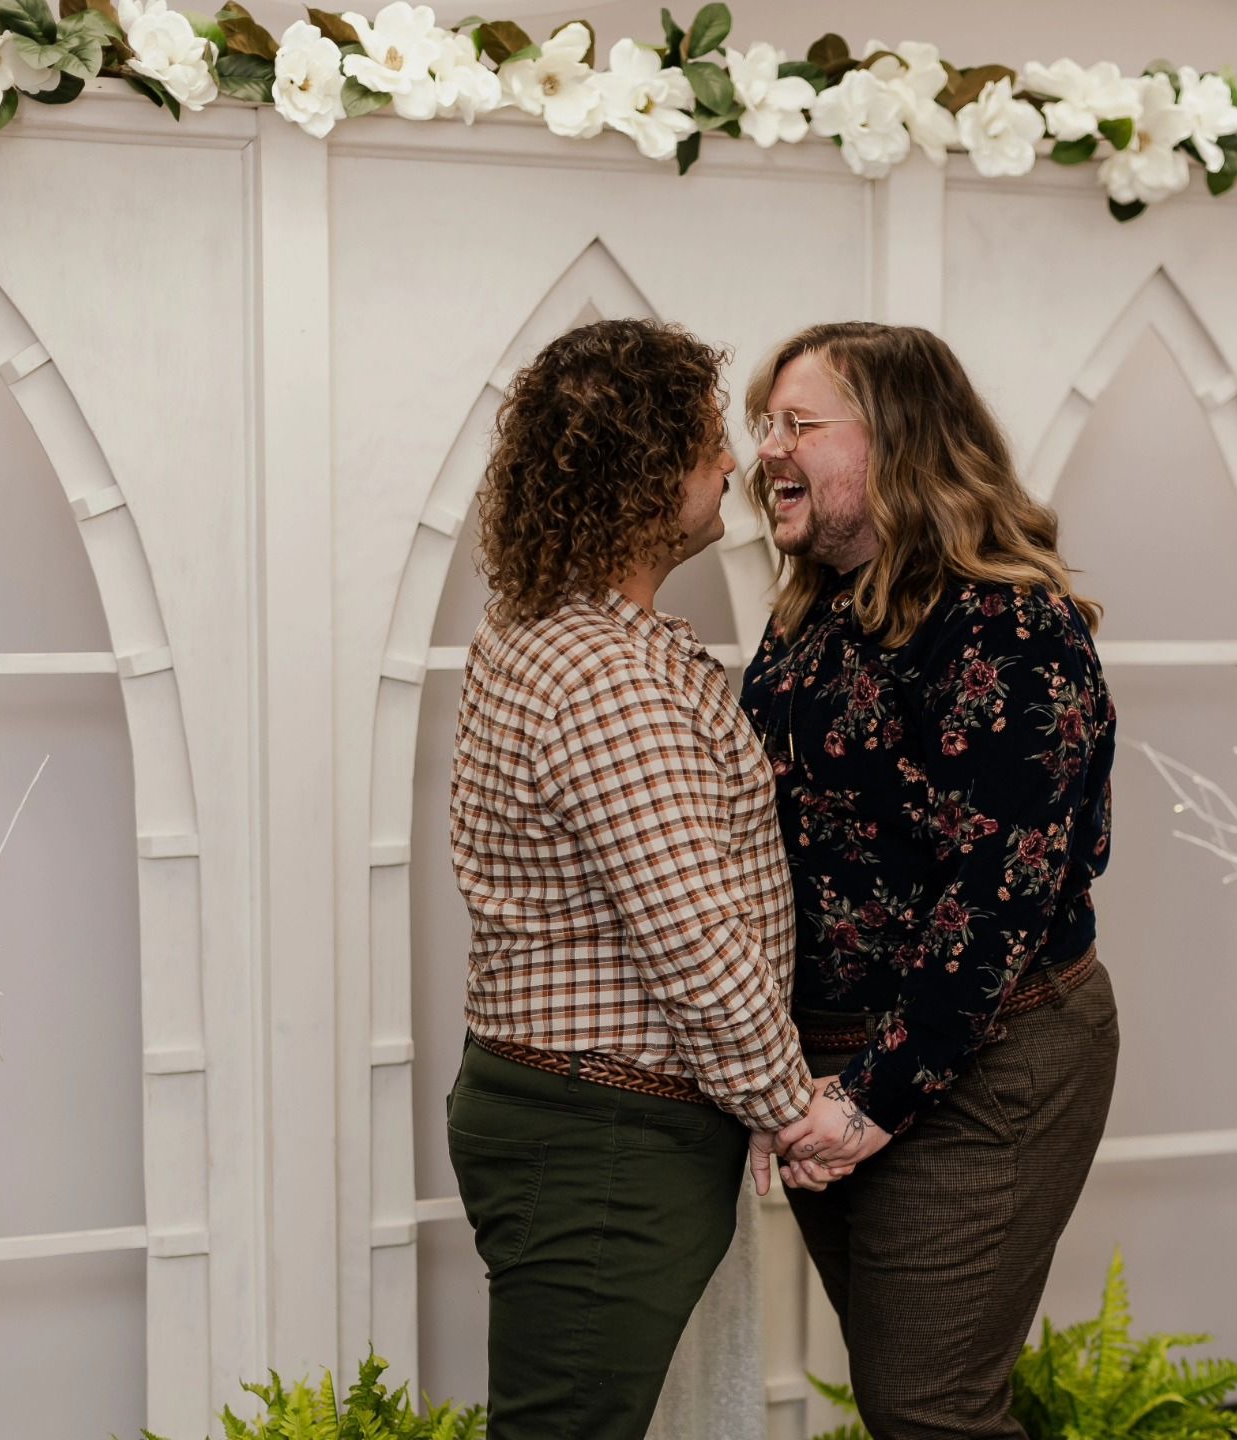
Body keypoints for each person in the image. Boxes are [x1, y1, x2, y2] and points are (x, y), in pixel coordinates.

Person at [740, 322, 1120, 1439]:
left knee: (928, 1408)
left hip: (987, 1061)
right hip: (834, 1057)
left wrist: (871, 1098)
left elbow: (997, 896)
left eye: (798, 424)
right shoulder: (811, 614)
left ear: (897, 441)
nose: (767, 450)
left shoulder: (1013, 625)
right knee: (921, 1403)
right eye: (765, 425)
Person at [446, 317, 816, 1440]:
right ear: (649, 479)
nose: (737, 465)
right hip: (604, 1136)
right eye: (713, 443)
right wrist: (794, 1108)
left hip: (583, 1115)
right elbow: (696, 945)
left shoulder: (548, 627)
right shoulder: (608, 678)